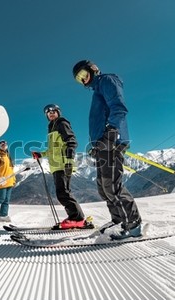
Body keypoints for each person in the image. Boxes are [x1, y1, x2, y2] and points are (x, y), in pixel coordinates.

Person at [72, 59, 142, 240]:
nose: (83, 80)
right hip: (103, 144)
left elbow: (118, 107)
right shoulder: (96, 90)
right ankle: (118, 219)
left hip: (112, 141)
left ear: (93, 69)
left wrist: (112, 132)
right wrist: (97, 145)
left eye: (83, 74)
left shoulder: (107, 81)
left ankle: (133, 225)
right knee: (103, 188)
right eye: (79, 79)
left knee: (113, 186)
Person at [32, 104, 91, 229]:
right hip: (56, 166)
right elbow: (52, 150)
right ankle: (75, 217)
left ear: (58, 112)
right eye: (48, 112)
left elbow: (72, 142)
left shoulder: (61, 123)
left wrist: (69, 161)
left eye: (53, 111)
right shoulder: (51, 128)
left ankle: (77, 219)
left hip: (64, 164)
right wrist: (41, 154)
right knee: (63, 192)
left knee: (63, 193)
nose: (51, 113)